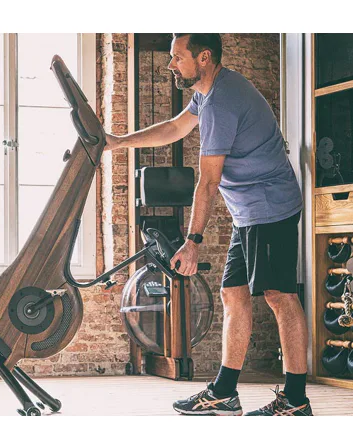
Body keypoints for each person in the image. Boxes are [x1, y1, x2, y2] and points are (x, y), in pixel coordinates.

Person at [106, 34, 312, 415]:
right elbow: (174, 128)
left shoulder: (221, 100)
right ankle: (224, 392)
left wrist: (193, 241)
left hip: (270, 208)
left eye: (177, 58)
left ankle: (296, 401)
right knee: (233, 294)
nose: (171, 65)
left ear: (203, 58)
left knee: (280, 296)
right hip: (248, 213)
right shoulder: (207, 92)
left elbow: (208, 181)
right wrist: (118, 142)